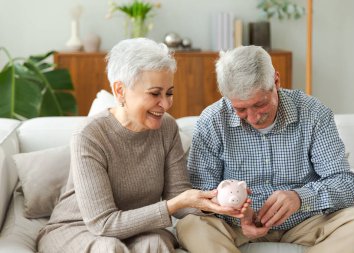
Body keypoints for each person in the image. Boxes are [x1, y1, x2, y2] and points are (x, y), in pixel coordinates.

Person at [37, 38, 246, 253]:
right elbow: (103, 224)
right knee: (108, 249)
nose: (165, 104)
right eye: (155, 93)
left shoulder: (167, 128)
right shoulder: (90, 136)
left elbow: (178, 195)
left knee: (156, 244)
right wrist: (174, 205)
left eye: (169, 93)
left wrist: (215, 203)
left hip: (139, 230)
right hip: (79, 229)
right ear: (120, 91)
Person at [176, 45, 354, 253]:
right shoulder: (212, 121)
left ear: (276, 82)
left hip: (304, 220)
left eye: (259, 104)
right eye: (241, 109)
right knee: (191, 226)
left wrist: (300, 198)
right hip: (234, 226)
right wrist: (238, 212)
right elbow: (201, 193)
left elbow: (344, 183)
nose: (253, 118)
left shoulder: (314, 113)